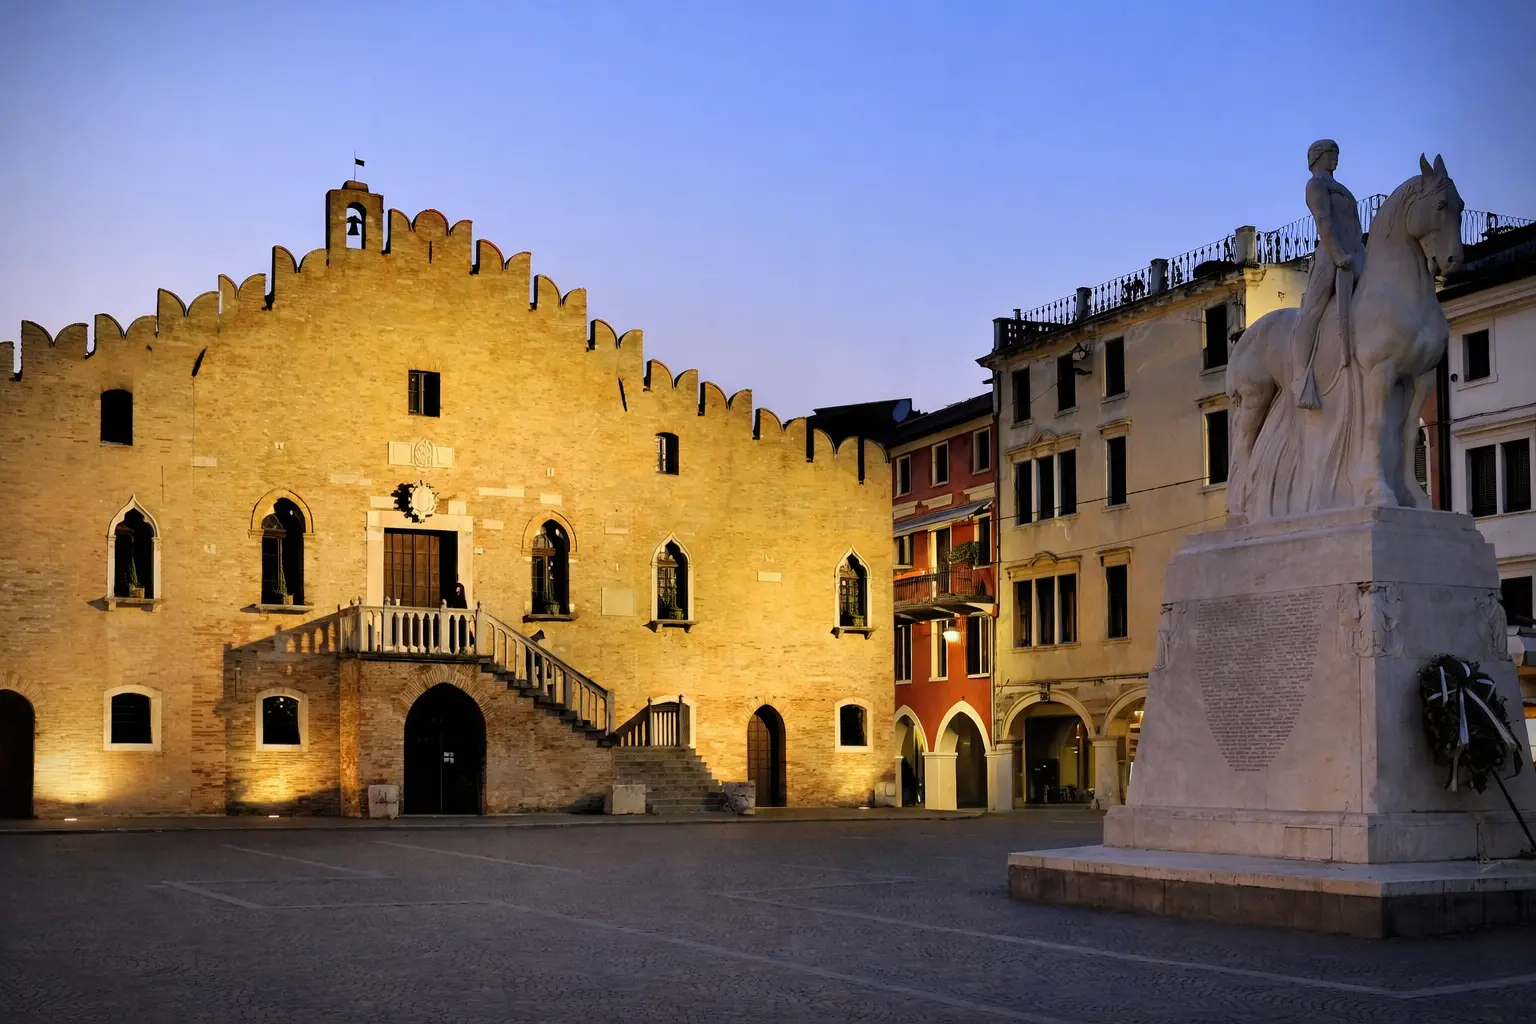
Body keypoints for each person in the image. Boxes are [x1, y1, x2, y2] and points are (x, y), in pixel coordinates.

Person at [1290, 139, 1367, 409]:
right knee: (1313, 309)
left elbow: (1354, 223)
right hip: (1331, 253)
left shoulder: (1341, 188)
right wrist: (1337, 256)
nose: (1336, 159)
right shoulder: (1316, 185)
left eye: (1337, 154)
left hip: (1354, 251)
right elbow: (1323, 220)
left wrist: (1358, 251)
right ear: (1317, 157)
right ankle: (1300, 378)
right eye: (1332, 154)